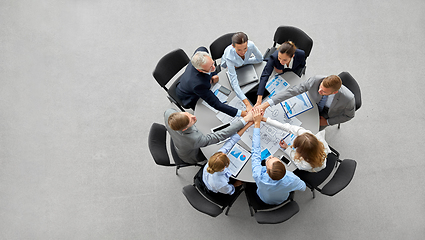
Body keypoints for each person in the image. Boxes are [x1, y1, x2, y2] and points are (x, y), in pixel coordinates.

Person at [250, 108, 306, 205]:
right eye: (273, 158)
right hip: (282, 199)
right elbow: (303, 187)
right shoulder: (291, 178)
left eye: (269, 160)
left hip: (263, 198)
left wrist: (257, 124)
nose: (270, 156)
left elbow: (255, 150)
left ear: (266, 171)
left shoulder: (258, 175)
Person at [258, 75, 355, 128]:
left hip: (327, 114)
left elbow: (349, 116)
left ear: (335, 92)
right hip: (311, 103)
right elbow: (293, 91)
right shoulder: (315, 80)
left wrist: (328, 122)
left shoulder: (348, 99)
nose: (319, 91)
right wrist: (267, 104)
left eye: (324, 91)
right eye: (320, 87)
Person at [164, 108, 253, 164]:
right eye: (191, 121)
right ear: (184, 129)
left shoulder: (169, 113)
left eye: (188, 115)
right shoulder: (195, 139)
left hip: (178, 141)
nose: (194, 117)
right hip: (191, 155)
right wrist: (245, 120)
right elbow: (219, 136)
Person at [176, 47, 245, 117]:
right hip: (189, 96)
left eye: (213, 63)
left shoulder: (201, 51)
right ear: (200, 70)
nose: (214, 68)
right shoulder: (198, 84)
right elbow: (217, 104)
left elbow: (208, 63)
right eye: (210, 68)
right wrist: (241, 113)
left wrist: (213, 74)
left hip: (191, 80)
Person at [202, 121, 253, 194]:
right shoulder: (221, 183)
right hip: (215, 188)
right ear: (224, 168)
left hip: (211, 178)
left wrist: (246, 127)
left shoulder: (214, 159)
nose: (225, 153)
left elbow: (231, 142)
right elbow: (228, 190)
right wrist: (235, 184)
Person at [263, 117, 330, 172]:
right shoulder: (308, 135)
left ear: (301, 153)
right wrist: (265, 120)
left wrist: (287, 148)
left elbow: (296, 161)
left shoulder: (305, 164)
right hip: (320, 160)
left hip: (314, 168)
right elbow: (287, 127)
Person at [221, 32, 263, 111]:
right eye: (239, 50)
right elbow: (234, 82)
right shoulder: (229, 56)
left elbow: (260, 59)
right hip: (227, 66)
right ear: (233, 46)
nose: (243, 52)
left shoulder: (251, 45)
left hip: (241, 65)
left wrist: (243, 62)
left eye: (245, 48)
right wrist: (246, 102)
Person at [255, 41, 306, 106]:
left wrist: (284, 71)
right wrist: (259, 100)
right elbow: (265, 75)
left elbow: (302, 65)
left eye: (284, 60)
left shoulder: (301, 54)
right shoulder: (274, 57)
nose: (281, 61)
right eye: (279, 58)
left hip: (292, 73)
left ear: (292, 56)